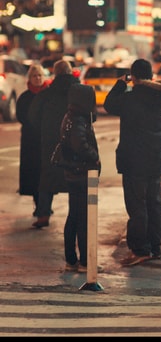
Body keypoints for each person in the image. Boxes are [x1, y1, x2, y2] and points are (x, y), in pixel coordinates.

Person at [104, 58, 161, 266]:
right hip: (155, 159)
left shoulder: (131, 98)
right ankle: (155, 247)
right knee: (154, 204)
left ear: (134, 76)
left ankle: (140, 249)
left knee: (137, 206)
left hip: (134, 161)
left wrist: (121, 83)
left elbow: (109, 104)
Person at [27, 60, 79, 229]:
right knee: (76, 179)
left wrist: (45, 131)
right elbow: (93, 116)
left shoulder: (46, 94)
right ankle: (77, 215)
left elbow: (33, 117)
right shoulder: (81, 92)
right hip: (75, 143)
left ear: (55, 74)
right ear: (71, 72)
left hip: (50, 142)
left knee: (47, 178)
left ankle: (43, 214)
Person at [59, 83, 101, 273]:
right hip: (81, 173)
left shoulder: (72, 115)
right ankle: (85, 261)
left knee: (74, 216)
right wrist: (94, 156)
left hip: (73, 173)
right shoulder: (78, 119)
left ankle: (71, 259)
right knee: (84, 218)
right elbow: (80, 145)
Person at [16, 63, 49, 216]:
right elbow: (21, 116)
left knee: (47, 174)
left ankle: (45, 205)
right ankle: (39, 205)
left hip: (46, 140)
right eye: (34, 76)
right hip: (31, 141)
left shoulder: (49, 95)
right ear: (30, 78)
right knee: (34, 174)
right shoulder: (24, 97)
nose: (37, 78)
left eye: (40, 76)